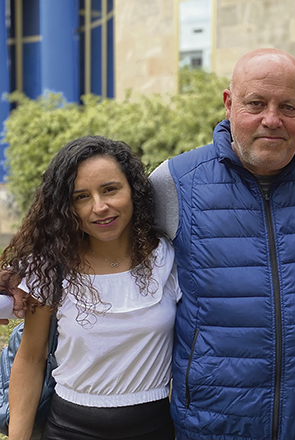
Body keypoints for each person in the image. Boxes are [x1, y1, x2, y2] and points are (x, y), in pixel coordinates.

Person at [148, 48, 295, 439]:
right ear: (229, 104)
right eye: (256, 104)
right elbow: (101, 257)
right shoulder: (174, 183)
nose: (272, 120)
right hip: (211, 427)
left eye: (288, 107)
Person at [0, 136, 178, 440]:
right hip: (69, 429)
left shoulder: (167, 257)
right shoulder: (52, 267)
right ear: (65, 207)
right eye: (81, 197)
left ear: (133, 191)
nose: (100, 207)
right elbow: (31, 358)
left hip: (155, 429)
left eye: (110, 189)